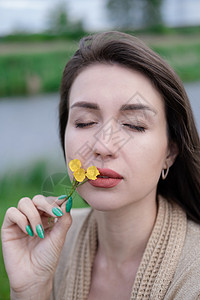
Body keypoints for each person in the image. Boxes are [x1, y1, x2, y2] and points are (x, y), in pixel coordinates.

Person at [1, 31, 200, 300]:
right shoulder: (51, 246)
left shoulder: (193, 275)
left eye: (134, 125)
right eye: (84, 122)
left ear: (170, 151)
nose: (103, 147)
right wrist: (30, 290)